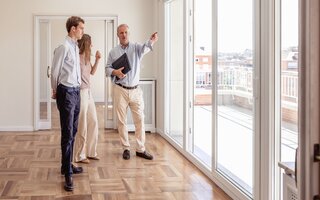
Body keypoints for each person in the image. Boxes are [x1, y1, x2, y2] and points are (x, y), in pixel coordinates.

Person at [105, 24, 158, 160]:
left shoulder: (136, 47)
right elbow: (107, 68)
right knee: (121, 121)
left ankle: (140, 149)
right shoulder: (113, 52)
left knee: (140, 120)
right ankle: (126, 148)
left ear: (129, 33)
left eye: (126, 32)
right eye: (121, 33)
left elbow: (146, 47)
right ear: (118, 35)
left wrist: (151, 40)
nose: (124, 35)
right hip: (120, 90)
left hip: (135, 91)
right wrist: (114, 72)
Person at [51, 16, 84, 192]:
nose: (82, 31)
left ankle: (67, 165)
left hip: (76, 92)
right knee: (67, 132)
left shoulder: (75, 46)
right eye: (81, 28)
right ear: (73, 29)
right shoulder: (63, 47)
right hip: (66, 92)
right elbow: (55, 71)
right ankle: (67, 174)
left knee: (74, 130)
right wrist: (55, 90)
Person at [73, 34, 101, 164]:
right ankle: (79, 155)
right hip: (81, 93)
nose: (92, 45)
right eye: (90, 43)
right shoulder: (77, 58)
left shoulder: (86, 58)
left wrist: (97, 60)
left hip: (89, 93)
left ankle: (91, 152)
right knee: (82, 124)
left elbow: (92, 72)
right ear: (85, 43)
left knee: (93, 121)